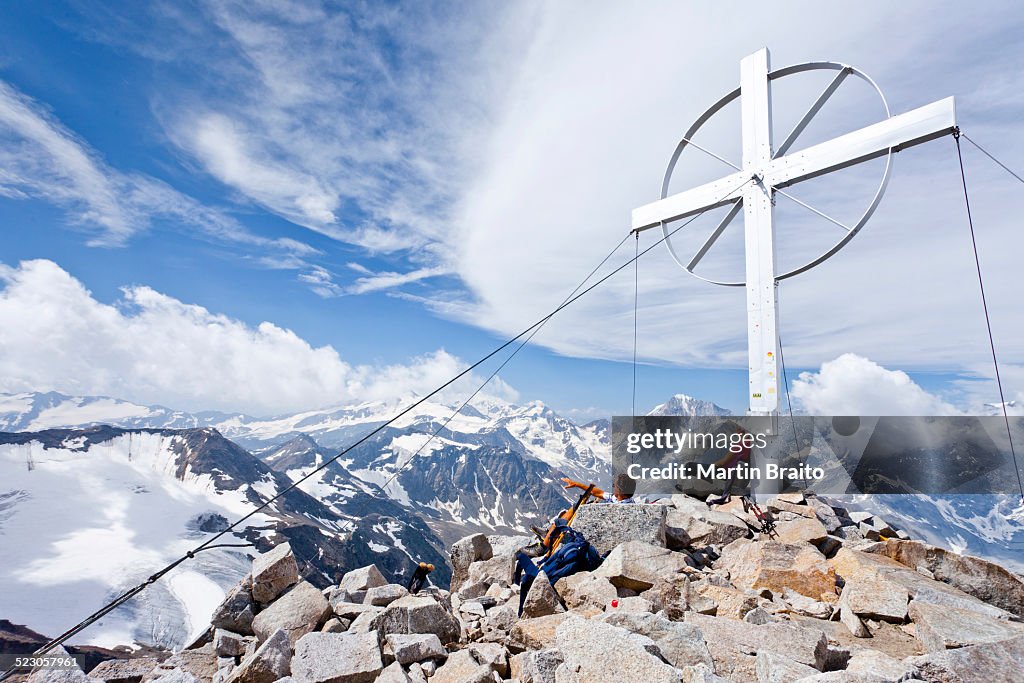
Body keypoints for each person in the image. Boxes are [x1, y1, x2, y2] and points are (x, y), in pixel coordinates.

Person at [513, 519, 601, 615]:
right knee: (526, 575)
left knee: (521, 558)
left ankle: (517, 594)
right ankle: (517, 589)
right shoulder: (579, 556)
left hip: (544, 577)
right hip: (558, 571)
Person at [560, 472, 639, 503]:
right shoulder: (616, 498)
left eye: (614, 486)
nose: (613, 488)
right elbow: (598, 493)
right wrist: (576, 484)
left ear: (620, 491)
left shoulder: (622, 507)